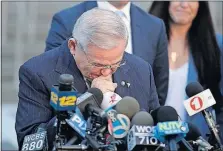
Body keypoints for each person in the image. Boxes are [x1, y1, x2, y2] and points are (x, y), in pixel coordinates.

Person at [15, 8, 160, 150]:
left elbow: (155, 132)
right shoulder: (37, 72)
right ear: (73, 46)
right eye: (97, 64)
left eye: (116, 63)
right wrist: (88, 101)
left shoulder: (141, 69)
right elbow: (29, 141)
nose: (106, 71)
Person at [44, 1, 169, 105]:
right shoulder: (66, 19)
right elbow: (55, 73)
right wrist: (90, 98)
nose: (107, 71)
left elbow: (158, 89)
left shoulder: (154, 25)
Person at [149, 1, 223, 141]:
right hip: (152, 137)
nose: (184, 4)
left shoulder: (216, 45)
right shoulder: (147, 41)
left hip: (195, 140)